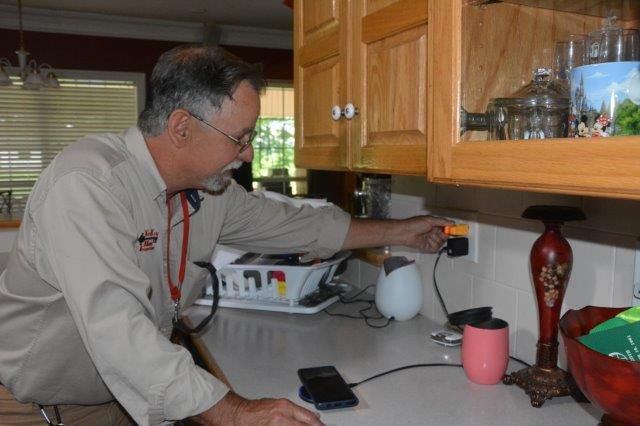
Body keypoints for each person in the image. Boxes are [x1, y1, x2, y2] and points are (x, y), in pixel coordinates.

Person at [0, 45, 450, 425]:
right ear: (182, 127)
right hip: (41, 408)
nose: (248, 152)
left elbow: (296, 223)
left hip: (124, 397)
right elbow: (118, 330)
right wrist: (235, 411)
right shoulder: (88, 185)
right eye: (240, 137)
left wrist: (401, 231)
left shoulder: (209, 191)